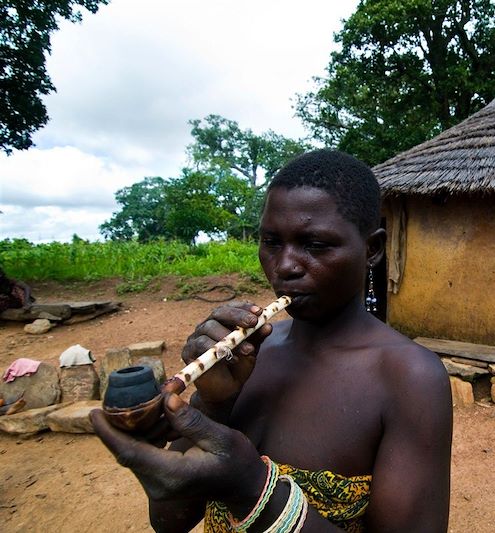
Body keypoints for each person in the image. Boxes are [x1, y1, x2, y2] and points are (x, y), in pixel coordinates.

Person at [91, 149, 453, 532]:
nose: (285, 266)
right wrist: (213, 404)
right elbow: (170, 519)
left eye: (315, 245)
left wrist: (250, 488)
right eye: (271, 241)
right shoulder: (246, 355)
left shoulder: (409, 378)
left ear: (373, 250)